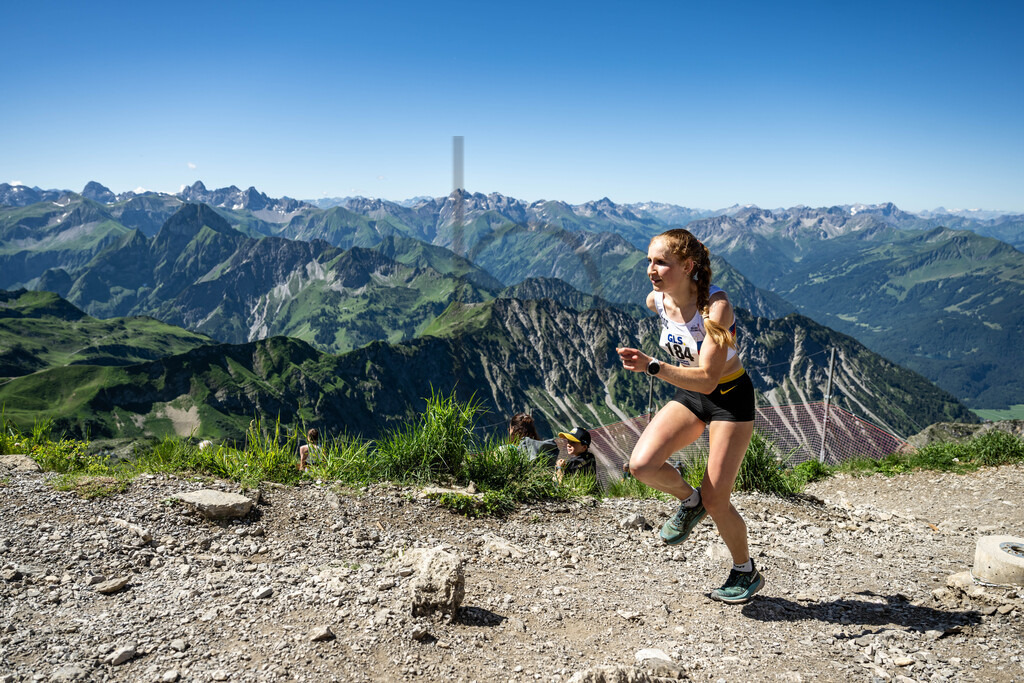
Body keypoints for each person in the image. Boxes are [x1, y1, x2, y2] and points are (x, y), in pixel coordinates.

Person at [616, 228, 762, 604]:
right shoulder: (657, 300)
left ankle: (745, 571)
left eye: (661, 262)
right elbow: (696, 379)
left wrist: (652, 367)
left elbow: (711, 377)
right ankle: (689, 501)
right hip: (692, 395)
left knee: (718, 499)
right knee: (642, 465)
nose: (651, 268)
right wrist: (657, 368)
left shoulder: (717, 308)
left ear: (688, 266)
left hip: (730, 400)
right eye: (649, 260)